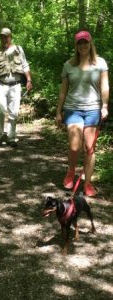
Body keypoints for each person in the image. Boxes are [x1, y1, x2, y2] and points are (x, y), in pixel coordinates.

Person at [56, 30, 109, 197]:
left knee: (89, 148)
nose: (83, 45)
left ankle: (87, 183)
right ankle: (71, 171)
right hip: (73, 109)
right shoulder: (68, 65)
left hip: (93, 109)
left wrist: (105, 106)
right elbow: (63, 91)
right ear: (76, 46)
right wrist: (58, 111)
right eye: (80, 43)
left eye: (85, 42)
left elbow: (105, 86)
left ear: (90, 43)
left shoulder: (100, 63)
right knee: (74, 145)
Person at [0, 27, 32, 147]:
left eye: (6, 36)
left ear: (10, 37)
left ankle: (11, 137)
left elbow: (25, 65)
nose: (4, 39)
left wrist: (29, 79)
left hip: (16, 86)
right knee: (0, 111)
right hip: (1, 85)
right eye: (2, 37)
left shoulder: (18, 49)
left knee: (14, 112)